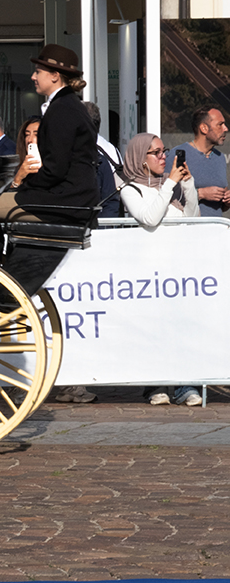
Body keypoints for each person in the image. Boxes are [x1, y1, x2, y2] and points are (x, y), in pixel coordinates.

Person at [116, 133, 202, 407]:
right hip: (149, 272)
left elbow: (192, 218)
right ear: (141, 159)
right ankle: (155, 385)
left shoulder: (171, 186)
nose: (164, 156)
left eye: (164, 151)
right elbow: (149, 217)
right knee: (153, 329)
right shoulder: (131, 189)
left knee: (182, 327)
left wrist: (187, 185)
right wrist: (170, 185)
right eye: (156, 152)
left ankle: (185, 384)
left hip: (178, 269)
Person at [0, 45, 100, 225]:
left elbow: (54, 170)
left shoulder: (62, 109)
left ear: (55, 76)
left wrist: (24, 186)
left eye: (38, 72)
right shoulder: (69, 105)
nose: (33, 77)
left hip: (65, 201)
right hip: (73, 199)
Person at [164, 106, 227, 216]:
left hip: (216, 229)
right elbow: (163, 197)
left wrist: (226, 201)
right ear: (204, 128)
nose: (225, 129)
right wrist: (200, 194)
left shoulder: (220, 157)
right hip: (189, 229)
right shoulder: (177, 156)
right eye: (220, 124)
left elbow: (220, 208)